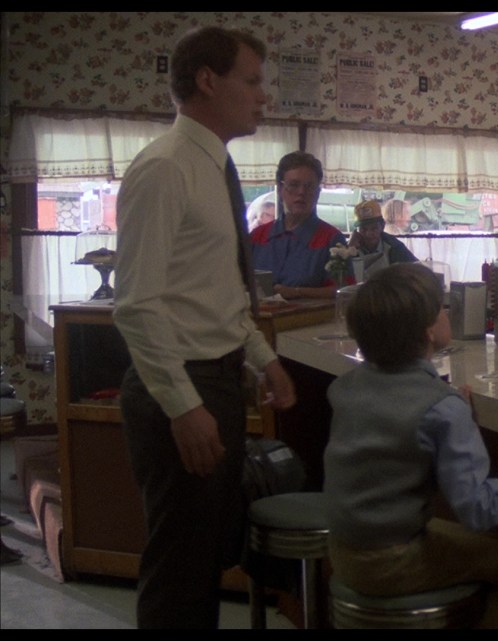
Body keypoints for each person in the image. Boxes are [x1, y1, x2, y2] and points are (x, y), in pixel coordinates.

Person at [112, 26, 296, 629]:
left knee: (207, 557)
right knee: (181, 571)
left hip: (216, 381)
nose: (263, 96)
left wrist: (262, 357)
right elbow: (136, 304)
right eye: (253, 81)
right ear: (208, 81)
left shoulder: (213, 166)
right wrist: (184, 405)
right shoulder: (166, 167)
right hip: (181, 388)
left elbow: (216, 292)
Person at [323, 262, 498, 629]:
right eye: (442, 308)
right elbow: (478, 511)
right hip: (391, 562)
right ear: (429, 331)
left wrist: (454, 415)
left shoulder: (347, 386)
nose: (447, 313)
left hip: (342, 551)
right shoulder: (441, 408)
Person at [250, 151, 349, 299]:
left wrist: (298, 292)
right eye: (293, 185)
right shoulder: (257, 236)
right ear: (280, 189)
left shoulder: (332, 240)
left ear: (318, 193)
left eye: (309, 186)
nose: (301, 192)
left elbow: (344, 291)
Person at [347, 199, 418, 281]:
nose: (368, 234)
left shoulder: (394, 246)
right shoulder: (350, 248)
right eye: (363, 229)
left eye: (374, 228)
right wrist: (348, 249)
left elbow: (415, 269)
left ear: (382, 226)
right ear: (356, 230)